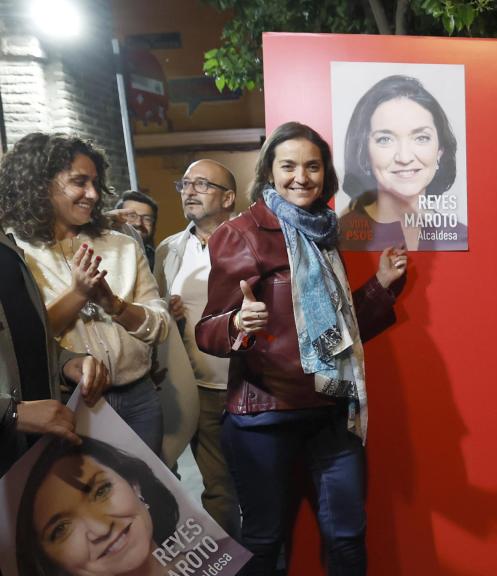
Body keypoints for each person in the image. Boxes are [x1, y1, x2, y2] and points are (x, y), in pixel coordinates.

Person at [195, 121, 408, 575]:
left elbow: (337, 336)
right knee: (266, 541)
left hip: (330, 409)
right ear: (269, 171)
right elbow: (206, 331)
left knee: (348, 537)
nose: (301, 177)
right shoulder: (241, 233)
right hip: (265, 417)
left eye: (312, 167)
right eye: (288, 165)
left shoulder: (322, 232)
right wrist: (236, 323)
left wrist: (380, 288)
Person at [0, 133, 172, 457]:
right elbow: (25, 340)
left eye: (96, 182)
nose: (92, 194)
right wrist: (78, 294)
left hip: (139, 399)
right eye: (79, 182)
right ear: (41, 185)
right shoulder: (18, 253)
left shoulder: (121, 245)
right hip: (70, 403)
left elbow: (161, 326)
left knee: (147, 503)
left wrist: (116, 306)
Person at [154, 159, 240, 536]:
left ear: (229, 197)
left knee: (261, 484)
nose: (189, 190)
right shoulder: (168, 250)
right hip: (197, 389)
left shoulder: (249, 241)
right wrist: (166, 315)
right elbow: (154, 318)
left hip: (248, 385)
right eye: (185, 183)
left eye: (202, 184)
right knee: (218, 489)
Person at [0, 232, 109, 477]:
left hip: (32, 450)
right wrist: (10, 413)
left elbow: (21, 338)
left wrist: (64, 362)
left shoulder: (6, 247)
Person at [15, 435, 180, 576]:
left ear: (134, 485)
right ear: (46, 560)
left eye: (101, 491)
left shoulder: (205, 556)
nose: (101, 530)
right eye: (61, 529)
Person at [340, 75, 465, 251]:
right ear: (364, 153)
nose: (404, 158)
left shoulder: (460, 236)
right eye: (385, 139)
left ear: (440, 152)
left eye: (421, 138)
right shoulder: (340, 237)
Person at [115, 190, 159, 270]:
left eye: (147, 219)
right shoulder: (103, 255)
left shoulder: (160, 261)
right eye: (132, 216)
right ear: (116, 220)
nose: (139, 223)